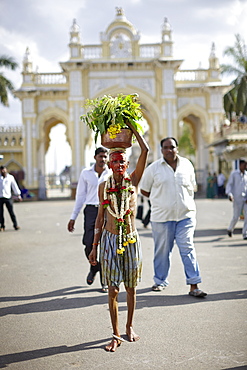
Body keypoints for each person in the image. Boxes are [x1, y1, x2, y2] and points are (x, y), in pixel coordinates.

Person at [89, 122, 149, 352]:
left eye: (121, 161)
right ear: (109, 165)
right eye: (114, 162)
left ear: (127, 164)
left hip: (131, 239)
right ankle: (115, 333)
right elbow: (100, 218)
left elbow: (145, 151)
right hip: (110, 239)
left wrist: (132, 128)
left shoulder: (132, 182)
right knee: (113, 289)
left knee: (131, 288)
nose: (117, 165)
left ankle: (129, 326)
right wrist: (94, 247)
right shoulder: (103, 187)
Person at [140, 137, 207, 297]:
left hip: (186, 216)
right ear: (161, 149)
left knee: (188, 248)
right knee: (162, 251)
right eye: (166, 147)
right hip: (162, 218)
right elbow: (144, 190)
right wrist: (161, 201)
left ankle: (194, 285)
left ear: (177, 148)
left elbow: (192, 187)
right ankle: (160, 281)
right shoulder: (153, 168)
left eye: (172, 147)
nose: (169, 150)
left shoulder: (187, 165)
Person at [67, 147, 110, 292]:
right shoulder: (86, 173)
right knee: (88, 243)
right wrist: (73, 217)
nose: (103, 159)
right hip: (91, 210)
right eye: (100, 156)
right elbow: (80, 196)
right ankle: (95, 267)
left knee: (105, 245)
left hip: (107, 210)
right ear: (95, 157)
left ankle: (104, 278)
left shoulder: (110, 173)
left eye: (105, 156)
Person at [226, 159, 247, 240]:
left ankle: (245, 233)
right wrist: (230, 194)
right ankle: (230, 229)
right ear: (240, 165)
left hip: (245, 199)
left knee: (246, 216)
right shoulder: (234, 174)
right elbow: (229, 185)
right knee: (236, 216)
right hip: (237, 198)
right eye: (244, 165)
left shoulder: (246, 175)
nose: (245, 167)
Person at [0, 166, 22, 231]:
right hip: (0, 197)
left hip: (8, 197)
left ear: (6, 170)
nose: (2, 171)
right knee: (0, 213)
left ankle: (15, 225)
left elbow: (14, 186)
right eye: (1, 170)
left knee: (11, 212)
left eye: (3, 170)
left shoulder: (10, 177)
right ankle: (2, 226)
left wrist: (18, 195)